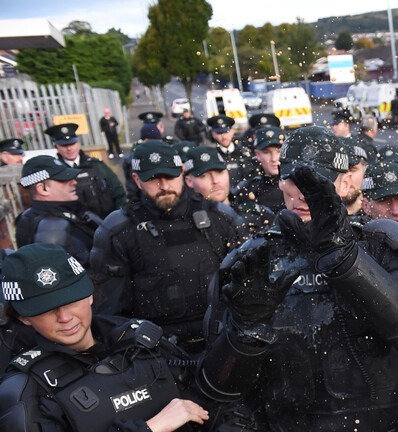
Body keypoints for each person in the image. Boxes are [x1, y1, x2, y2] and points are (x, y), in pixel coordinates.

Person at [197, 126, 398, 430]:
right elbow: (218, 388)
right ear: (280, 180)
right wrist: (246, 332)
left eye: (317, 182)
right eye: (294, 180)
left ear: (344, 183)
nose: (304, 194)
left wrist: (347, 260)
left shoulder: (384, 245)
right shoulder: (251, 261)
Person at [0, 243, 210, 432]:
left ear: (90, 295)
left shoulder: (139, 338)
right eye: (47, 310)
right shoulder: (26, 390)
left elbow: (210, 399)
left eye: (71, 301)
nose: (64, 317)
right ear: (24, 318)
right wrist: (152, 428)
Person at [90, 141, 243, 352]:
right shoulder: (119, 231)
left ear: (182, 172)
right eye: (153, 179)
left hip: (222, 341)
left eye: (170, 176)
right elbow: (111, 313)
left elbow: (246, 288)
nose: (163, 186)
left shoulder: (220, 218)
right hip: (158, 350)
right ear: (137, 179)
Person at [15, 156, 100, 267]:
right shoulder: (50, 229)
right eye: (63, 179)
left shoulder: (31, 216)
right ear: (42, 189)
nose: (74, 182)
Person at [184, 146, 272, 236]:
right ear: (189, 181)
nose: (215, 180)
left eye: (219, 172)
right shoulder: (186, 223)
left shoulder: (255, 210)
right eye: (204, 176)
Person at [45, 123, 127, 219]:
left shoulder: (96, 165)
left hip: (108, 221)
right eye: (64, 145)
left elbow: (118, 192)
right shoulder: (55, 173)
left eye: (72, 143)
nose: (69, 149)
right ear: (56, 147)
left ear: (78, 143)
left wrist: (118, 218)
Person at [232, 125, 286, 213]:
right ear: (257, 154)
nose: (274, 158)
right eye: (266, 152)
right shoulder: (248, 190)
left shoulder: (299, 185)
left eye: (279, 151)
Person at [206, 114, 255, 187]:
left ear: (232, 131)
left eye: (226, 132)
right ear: (213, 134)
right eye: (219, 133)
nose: (224, 136)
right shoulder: (212, 156)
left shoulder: (244, 153)